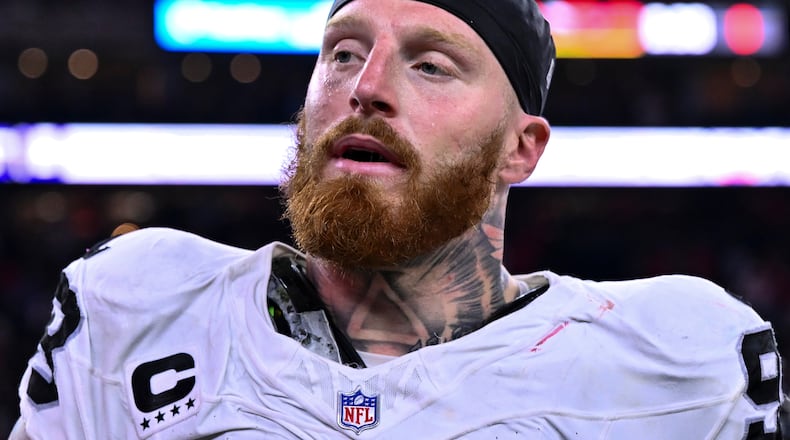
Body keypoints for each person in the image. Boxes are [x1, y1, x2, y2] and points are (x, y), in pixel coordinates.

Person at [11, 0, 785, 438]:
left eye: (430, 64)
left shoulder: (684, 361)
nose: (367, 86)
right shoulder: (133, 305)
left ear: (521, 149)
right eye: (343, 53)